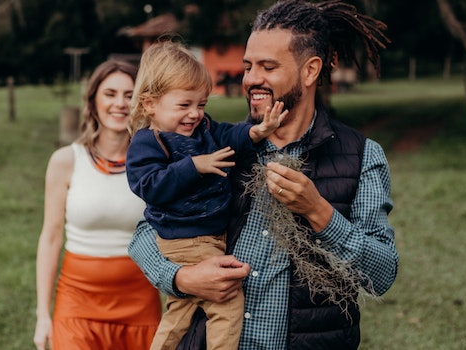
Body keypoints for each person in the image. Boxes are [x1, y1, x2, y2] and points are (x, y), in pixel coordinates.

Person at [127, 1, 399, 349]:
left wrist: (319, 212)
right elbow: (145, 230)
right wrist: (181, 277)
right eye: (248, 66)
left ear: (310, 71)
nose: (251, 79)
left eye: (268, 67)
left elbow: (382, 275)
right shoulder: (214, 144)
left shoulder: (362, 157)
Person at [125, 40, 287, 350]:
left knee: (179, 312)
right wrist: (194, 166)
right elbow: (148, 186)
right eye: (184, 105)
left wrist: (254, 132)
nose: (195, 114)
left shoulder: (205, 130)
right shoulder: (148, 143)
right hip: (185, 239)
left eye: (201, 104)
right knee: (227, 301)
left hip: (207, 236)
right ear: (150, 104)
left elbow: (228, 134)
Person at [33, 59, 161, 350]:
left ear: (142, 103)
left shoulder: (156, 165)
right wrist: (43, 315)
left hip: (140, 303)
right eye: (110, 93)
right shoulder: (66, 161)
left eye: (129, 95)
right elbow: (51, 238)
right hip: (77, 303)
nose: (119, 103)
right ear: (92, 101)